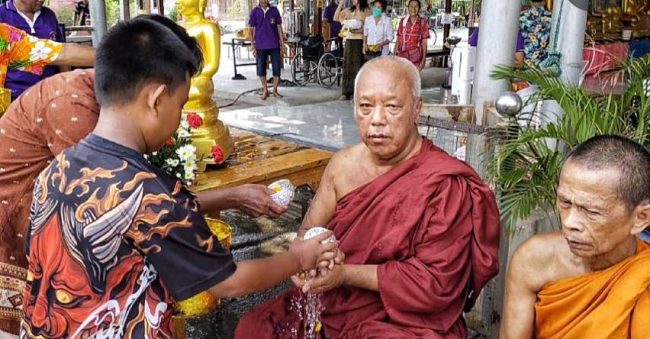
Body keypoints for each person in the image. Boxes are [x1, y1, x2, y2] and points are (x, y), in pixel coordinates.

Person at [19, 16, 337, 338]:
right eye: (181, 104)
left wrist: (231, 197)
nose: (180, 117)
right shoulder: (152, 194)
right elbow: (230, 282)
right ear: (156, 99)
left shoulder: (58, 168)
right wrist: (298, 257)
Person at [235, 56, 500, 338]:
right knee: (254, 328)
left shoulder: (444, 184)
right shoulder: (342, 166)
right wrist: (307, 264)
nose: (376, 120)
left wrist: (346, 273)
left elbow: (436, 285)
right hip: (333, 300)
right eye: (365, 107)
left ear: (417, 110)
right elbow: (306, 234)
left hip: (406, 319)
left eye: (392, 107)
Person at [500, 135, 650, 338]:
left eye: (592, 212)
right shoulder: (535, 258)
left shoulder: (644, 277)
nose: (570, 223)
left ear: (641, 218)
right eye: (564, 202)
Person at [0, 0, 66, 100]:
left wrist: (66, 84)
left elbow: (63, 52)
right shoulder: (2, 16)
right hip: (15, 96)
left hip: (50, 93)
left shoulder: (49, 15)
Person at [248, 0, 286, 100]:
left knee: (277, 67)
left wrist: (283, 44)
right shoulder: (255, 12)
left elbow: (279, 28)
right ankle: (265, 89)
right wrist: (252, 45)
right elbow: (250, 30)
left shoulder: (274, 11)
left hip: (274, 44)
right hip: (260, 45)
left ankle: (275, 90)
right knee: (261, 68)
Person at [334, 0, 370, 100]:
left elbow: (369, 27)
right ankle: (345, 92)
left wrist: (360, 30)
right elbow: (336, 18)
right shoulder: (349, 10)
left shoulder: (367, 11)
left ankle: (357, 92)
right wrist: (340, 4)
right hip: (349, 40)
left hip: (360, 41)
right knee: (347, 65)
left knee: (358, 66)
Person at [395, 0, 429, 71]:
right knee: (402, 80)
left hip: (416, 59)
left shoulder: (422, 22)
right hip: (402, 58)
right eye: (411, 6)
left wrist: (423, 61)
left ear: (419, 8)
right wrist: (395, 56)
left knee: (413, 81)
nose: (413, 8)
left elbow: (424, 43)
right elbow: (398, 39)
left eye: (416, 6)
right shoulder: (403, 21)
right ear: (408, 8)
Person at [519, 0, 551, 69]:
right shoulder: (551, 18)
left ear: (530, 1)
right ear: (544, 1)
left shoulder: (521, 17)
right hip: (546, 67)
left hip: (528, 68)